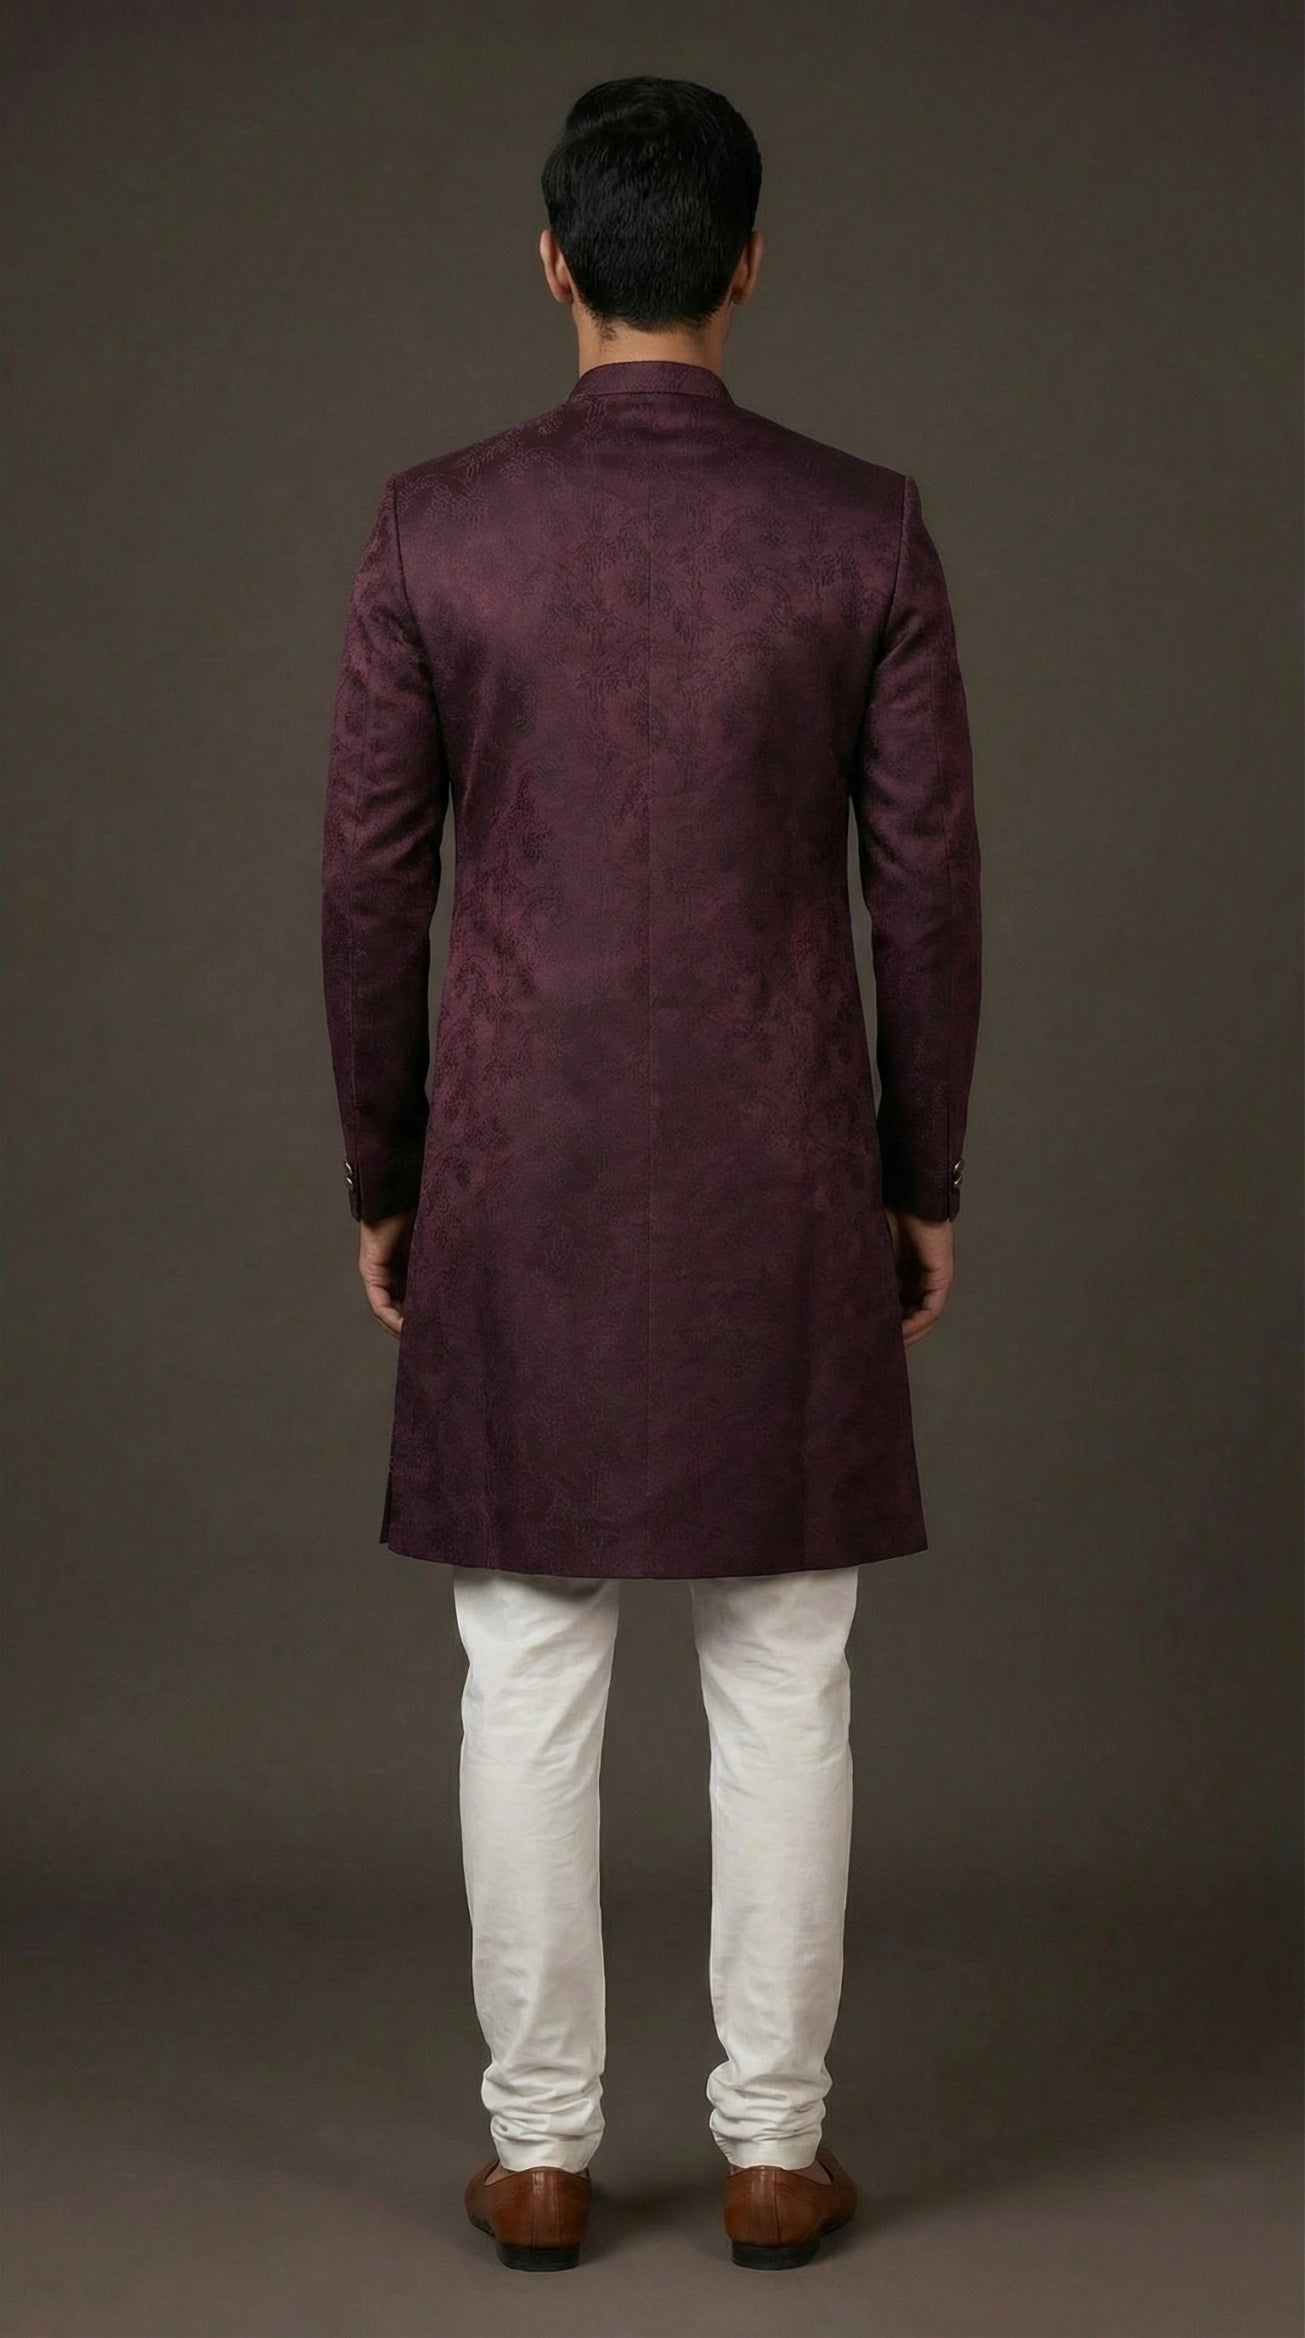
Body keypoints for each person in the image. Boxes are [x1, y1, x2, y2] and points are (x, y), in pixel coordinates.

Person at [320, 74, 982, 2273]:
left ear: (552, 261)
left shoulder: (434, 529)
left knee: (525, 1662)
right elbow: (923, 890)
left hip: (516, 1164)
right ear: (747, 263)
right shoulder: (861, 530)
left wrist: (388, 1162)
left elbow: (370, 883)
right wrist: (918, 1169)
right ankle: (775, 2149)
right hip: (781, 1163)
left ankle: (537, 2151)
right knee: (784, 1663)